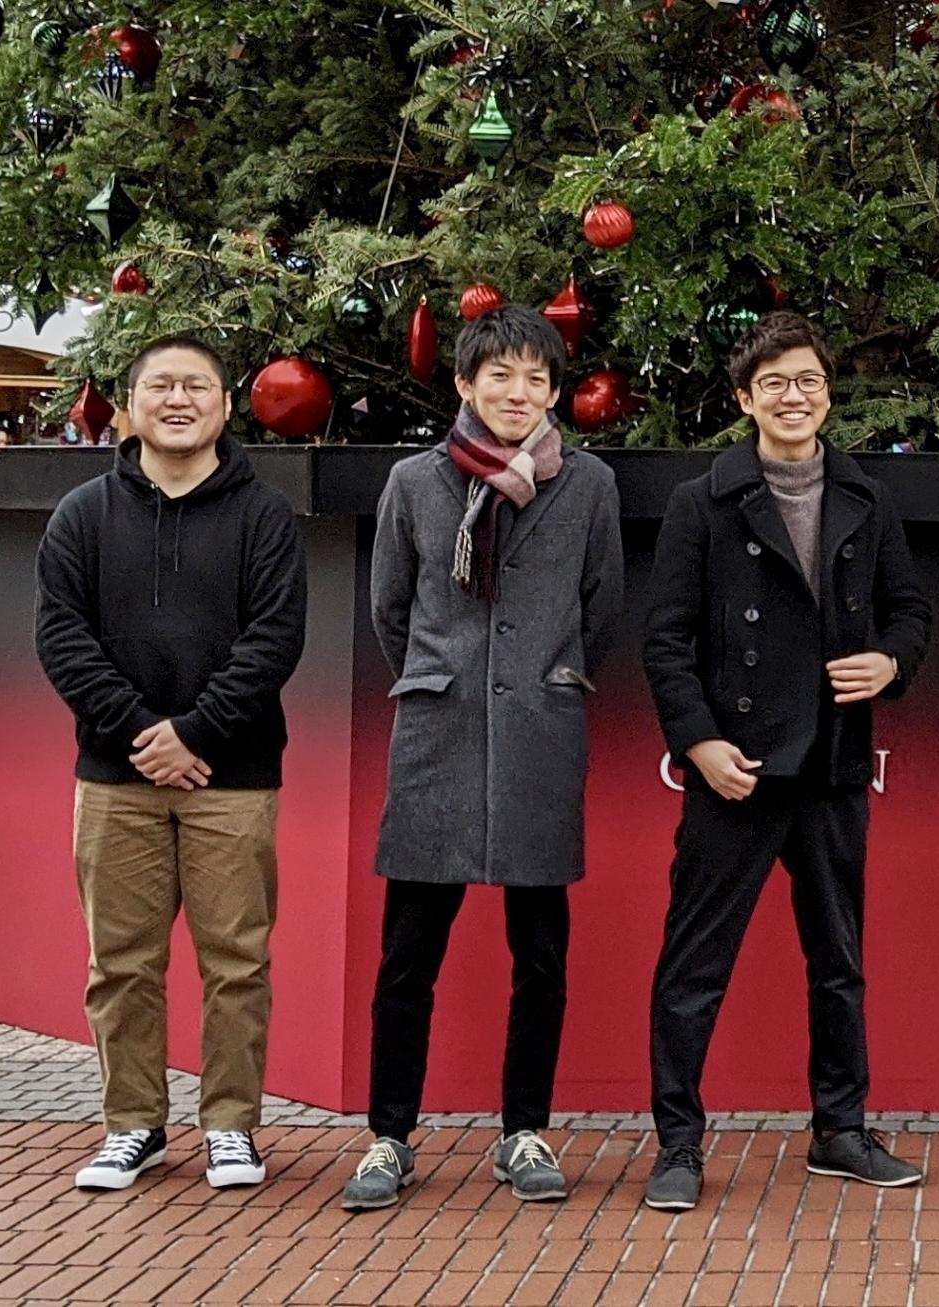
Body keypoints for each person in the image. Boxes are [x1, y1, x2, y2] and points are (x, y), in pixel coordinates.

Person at [640, 311, 931, 1211]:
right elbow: (666, 639)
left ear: (828, 393)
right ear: (744, 398)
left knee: (838, 961)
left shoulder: (867, 496)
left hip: (834, 762)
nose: (793, 396)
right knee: (695, 966)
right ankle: (678, 1143)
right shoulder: (702, 501)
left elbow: (911, 612)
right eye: (773, 383)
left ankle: (840, 1130)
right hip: (736, 766)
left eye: (807, 380)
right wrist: (699, 742)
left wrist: (890, 663)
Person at [339, 307, 624, 1211]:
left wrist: (547, 677)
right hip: (439, 734)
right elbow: (390, 607)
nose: (519, 392)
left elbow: (601, 607)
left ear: (554, 391)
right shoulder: (414, 482)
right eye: (500, 374)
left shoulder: (588, 485)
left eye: (537, 377)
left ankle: (523, 1130)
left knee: (540, 955)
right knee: (407, 957)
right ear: (464, 383)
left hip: (541, 731)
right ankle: (389, 1136)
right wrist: (444, 678)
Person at [35, 337, 309, 1191]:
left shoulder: (264, 516)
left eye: (197, 385)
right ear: (129, 405)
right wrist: (142, 733)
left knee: (236, 960)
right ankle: (133, 1123)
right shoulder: (82, 514)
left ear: (226, 406)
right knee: (120, 961)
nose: (179, 399)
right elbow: (62, 639)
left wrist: (195, 733)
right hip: (115, 778)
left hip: (233, 776)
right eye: (161, 385)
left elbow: (274, 640)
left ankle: (231, 1124)